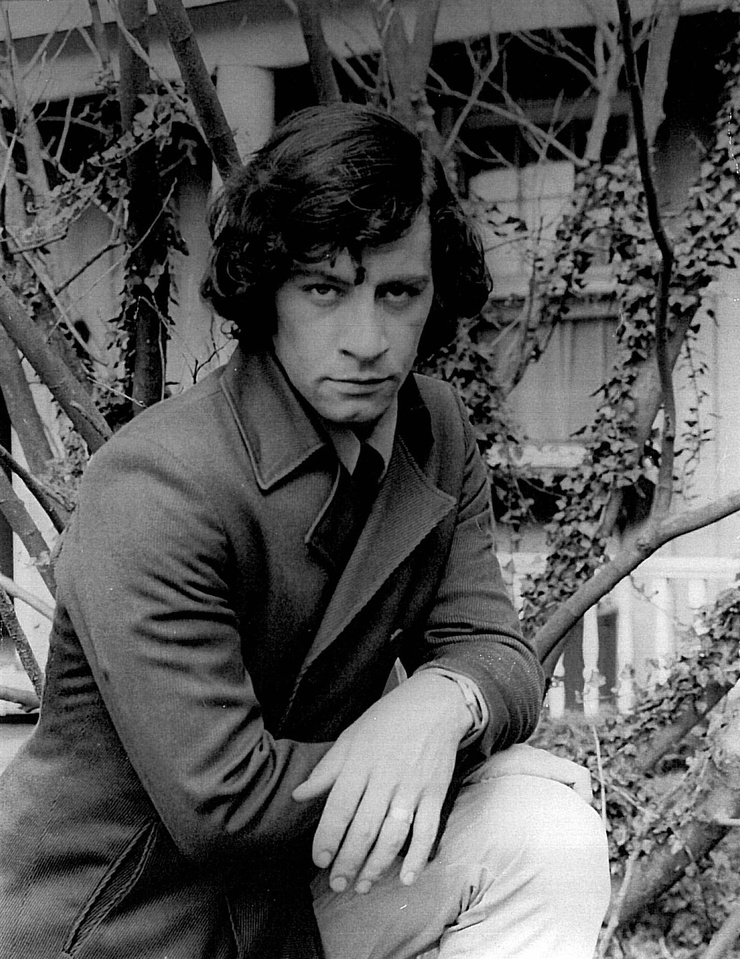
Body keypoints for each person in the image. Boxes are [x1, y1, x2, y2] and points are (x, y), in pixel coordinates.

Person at [0, 103, 610, 959]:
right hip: (132, 922)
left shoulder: (434, 431)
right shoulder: (158, 483)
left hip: (292, 893)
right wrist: (443, 762)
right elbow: (225, 804)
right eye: (325, 289)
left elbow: (495, 650)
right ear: (270, 295)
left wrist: (441, 704)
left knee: (544, 833)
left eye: (398, 292)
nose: (367, 340)